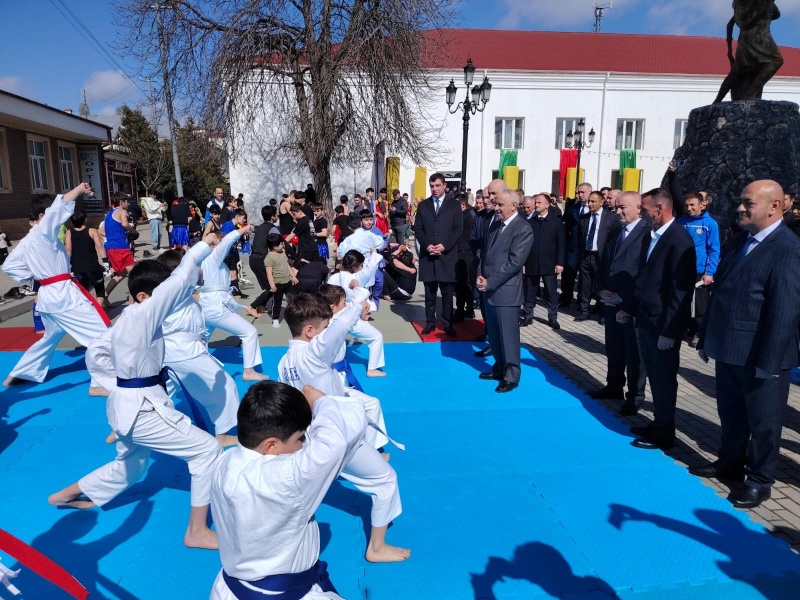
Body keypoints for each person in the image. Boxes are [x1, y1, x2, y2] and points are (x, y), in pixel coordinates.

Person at [48, 236, 223, 550]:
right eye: (162, 293)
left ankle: (64, 495)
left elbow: (96, 352)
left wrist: (117, 385)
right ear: (144, 296)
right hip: (141, 409)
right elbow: (179, 280)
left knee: (131, 465)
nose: (170, 298)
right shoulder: (143, 315)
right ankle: (196, 531)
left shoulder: (126, 319)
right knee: (207, 450)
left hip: (128, 405)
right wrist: (201, 247)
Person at [693, 179, 800, 509]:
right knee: (731, 414)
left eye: (748, 203)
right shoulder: (741, 240)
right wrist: (707, 338)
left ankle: (759, 480)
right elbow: (720, 294)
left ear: (774, 206)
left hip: (762, 357)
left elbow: (784, 311)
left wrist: (770, 363)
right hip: (729, 349)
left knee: (764, 422)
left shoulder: (788, 248)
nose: (740, 208)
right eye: (741, 201)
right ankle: (730, 462)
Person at [278, 293, 409, 563]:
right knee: (386, 480)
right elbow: (340, 326)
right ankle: (376, 548)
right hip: (338, 436)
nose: (327, 332)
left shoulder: (284, 363)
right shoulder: (313, 353)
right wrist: (359, 306)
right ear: (310, 331)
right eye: (323, 328)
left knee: (304, 494)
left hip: (312, 437)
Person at [208, 381, 363, 599]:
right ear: (271, 446)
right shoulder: (284, 479)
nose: (303, 445)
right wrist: (321, 401)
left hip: (229, 588)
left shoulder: (223, 462)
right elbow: (336, 443)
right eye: (300, 439)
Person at [2, 184, 111, 387]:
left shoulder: (26, 241)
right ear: (43, 215)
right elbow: (60, 206)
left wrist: (35, 278)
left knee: (50, 338)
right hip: (62, 296)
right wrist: (80, 189)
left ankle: (21, 372)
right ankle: (101, 383)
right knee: (102, 334)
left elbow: (9, 266)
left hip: (48, 295)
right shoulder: (43, 230)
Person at [621, 189, 695, 451]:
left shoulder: (679, 241)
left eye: (645, 208)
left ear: (660, 208)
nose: (642, 213)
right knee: (654, 375)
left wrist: (670, 331)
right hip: (645, 318)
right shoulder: (652, 236)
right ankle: (658, 423)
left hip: (662, 325)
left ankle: (665, 434)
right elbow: (643, 278)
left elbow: (680, 292)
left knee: (664, 380)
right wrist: (630, 308)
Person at [156, 250, 240, 448]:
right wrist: (207, 245)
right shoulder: (178, 291)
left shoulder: (169, 293)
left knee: (160, 392)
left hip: (171, 352)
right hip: (186, 354)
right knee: (226, 386)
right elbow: (196, 269)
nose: (198, 270)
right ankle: (222, 434)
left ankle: (130, 424)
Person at [594, 192, 650, 415]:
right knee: (614, 347)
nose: (617, 212)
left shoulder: (647, 233)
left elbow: (643, 273)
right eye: (616, 207)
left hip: (631, 304)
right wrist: (601, 289)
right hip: (610, 302)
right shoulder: (616, 231)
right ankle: (614, 385)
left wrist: (626, 300)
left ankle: (635, 396)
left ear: (638, 208)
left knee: (633, 353)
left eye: (622, 207)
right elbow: (604, 263)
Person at [476, 189, 534, 393]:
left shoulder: (522, 228)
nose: (496, 208)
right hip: (489, 288)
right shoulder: (496, 225)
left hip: (505, 291)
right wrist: (480, 275)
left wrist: (490, 282)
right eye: (496, 204)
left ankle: (511, 375)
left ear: (514, 206)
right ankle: (499, 367)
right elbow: (485, 254)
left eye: (500, 205)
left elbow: (515, 263)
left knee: (508, 336)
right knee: (494, 334)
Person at [198, 227, 268, 382]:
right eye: (221, 245)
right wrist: (244, 229)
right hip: (215, 307)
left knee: (201, 340)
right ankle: (249, 371)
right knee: (249, 332)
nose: (227, 248)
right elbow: (227, 241)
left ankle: (199, 369)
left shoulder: (208, 262)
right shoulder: (213, 258)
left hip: (207, 306)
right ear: (214, 246)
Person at [413, 172, 463, 336]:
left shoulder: (454, 205)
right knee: (429, 293)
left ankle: (447, 323)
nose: (434, 189)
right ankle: (430, 322)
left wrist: (444, 246)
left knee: (447, 294)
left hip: (447, 257)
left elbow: (458, 229)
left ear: (445, 186)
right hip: (428, 256)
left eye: (437, 186)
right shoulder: (423, 205)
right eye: (432, 186)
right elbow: (418, 229)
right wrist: (427, 245)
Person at [327, 250, 387, 377]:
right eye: (360, 265)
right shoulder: (356, 278)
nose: (362, 268)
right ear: (354, 267)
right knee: (376, 337)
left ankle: (327, 365)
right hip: (351, 317)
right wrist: (374, 254)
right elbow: (370, 268)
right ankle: (372, 369)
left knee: (334, 342)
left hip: (333, 317)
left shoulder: (333, 277)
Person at [678, 192, 720, 347]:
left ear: (701, 205)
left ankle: (700, 333)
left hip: (700, 270)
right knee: (682, 300)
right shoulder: (681, 222)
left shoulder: (709, 224)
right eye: (686, 205)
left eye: (692, 205)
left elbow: (714, 249)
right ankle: (685, 329)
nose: (689, 208)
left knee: (700, 305)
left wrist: (709, 273)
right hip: (682, 269)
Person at [576, 191, 622, 323]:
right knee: (585, 284)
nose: (590, 204)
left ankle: (602, 311)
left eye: (593, 201)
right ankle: (584, 310)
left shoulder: (611, 218)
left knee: (601, 284)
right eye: (589, 201)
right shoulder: (584, 218)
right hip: (586, 255)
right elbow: (580, 237)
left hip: (601, 257)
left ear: (601, 202)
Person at [521, 194, 565, 330]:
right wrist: (523, 262)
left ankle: (553, 318)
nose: (536, 205)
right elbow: (524, 244)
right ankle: (528, 316)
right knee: (529, 291)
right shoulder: (530, 222)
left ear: (547, 205)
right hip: (531, 263)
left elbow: (561, 244)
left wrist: (560, 263)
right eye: (536, 202)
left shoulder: (556, 222)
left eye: (539, 203)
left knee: (551, 292)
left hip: (549, 264)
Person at [65, 210, 110, 309]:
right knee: (100, 290)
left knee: (84, 291)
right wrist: (105, 262)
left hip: (77, 266)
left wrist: (68, 265)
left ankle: (87, 311)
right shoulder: (92, 231)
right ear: (85, 219)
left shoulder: (69, 232)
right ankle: (98, 312)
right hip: (92, 265)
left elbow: (68, 249)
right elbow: (100, 246)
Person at [249, 234, 295, 328]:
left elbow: (287, 266)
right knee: (277, 302)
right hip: (278, 284)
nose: (283, 245)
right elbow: (269, 273)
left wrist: (293, 276)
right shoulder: (269, 258)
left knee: (293, 298)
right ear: (274, 247)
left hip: (288, 282)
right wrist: (272, 286)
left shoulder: (283, 253)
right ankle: (275, 319)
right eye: (281, 244)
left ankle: (294, 315)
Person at [560, 183, 592, 307]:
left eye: (582, 192)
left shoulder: (594, 209)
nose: (579, 195)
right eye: (578, 192)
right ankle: (566, 298)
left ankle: (581, 301)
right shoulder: (573, 206)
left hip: (586, 248)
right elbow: (566, 224)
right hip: (572, 247)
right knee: (568, 274)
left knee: (584, 278)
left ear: (590, 192)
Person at [101, 194, 137, 303]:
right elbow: (125, 224)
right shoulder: (122, 211)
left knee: (121, 274)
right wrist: (133, 231)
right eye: (127, 201)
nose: (129, 204)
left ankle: (104, 297)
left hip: (110, 248)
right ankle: (132, 302)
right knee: (134, 274)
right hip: (120, 246)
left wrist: (114, 234)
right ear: (121, 202)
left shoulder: (108, 214)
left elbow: (101, 232)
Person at [453, 193, 475, 322]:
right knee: (463, 283)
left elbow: (460, 234)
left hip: (464, 252)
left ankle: (462, 310)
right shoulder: (464, 215)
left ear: (462, 205)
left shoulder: (465, 216)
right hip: (462, 251)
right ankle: (467, 308)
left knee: (462, 283)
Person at [219, 208, 248, 298]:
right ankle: (223, 292)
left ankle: (236, 292)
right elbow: (226, 240)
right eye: (243, 218)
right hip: (226, 253)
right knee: (224, 273)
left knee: (234, 272)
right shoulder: (228, 226)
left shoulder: (236, 226)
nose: (244, 220)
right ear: (237, 217)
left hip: (232, 252)